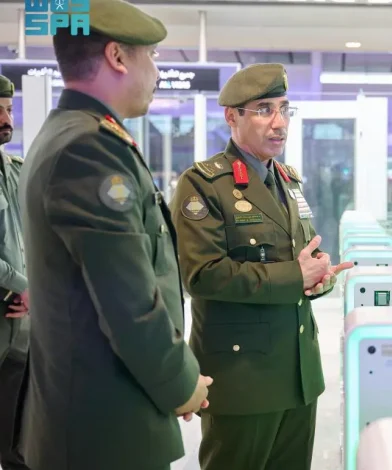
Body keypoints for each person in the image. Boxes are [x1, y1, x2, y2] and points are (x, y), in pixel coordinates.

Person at [17, 1, 211, 469]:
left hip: (92, 420)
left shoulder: (67, 134)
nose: (157, 72)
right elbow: (129, 304)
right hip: (104, 431)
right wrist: (181, 384)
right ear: (118, 57)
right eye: (153, 56)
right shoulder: (90, 148)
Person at [171, 63, 353, 470]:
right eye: (264, 110)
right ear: (232, 116)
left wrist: (319, 275)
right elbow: (202, 275)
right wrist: (295, 276)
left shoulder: (288, 180)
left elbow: (302, 256)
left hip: (299, 373)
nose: (279, 122)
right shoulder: (204, 184)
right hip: (243, 377)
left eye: (285, 109)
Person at [0, 74, 30, 470]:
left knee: (19, 445)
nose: (6, 119)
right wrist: (25, 286)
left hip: (20, 327)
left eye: (8, 109)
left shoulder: (18, 170)